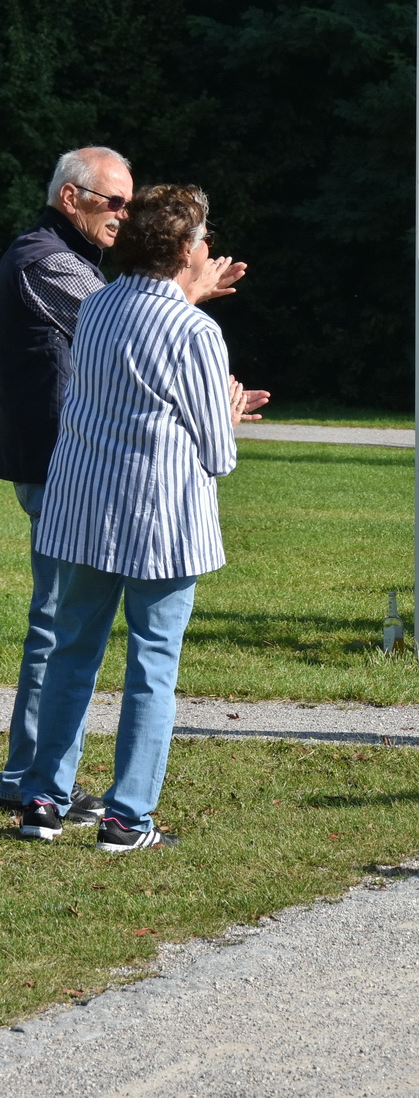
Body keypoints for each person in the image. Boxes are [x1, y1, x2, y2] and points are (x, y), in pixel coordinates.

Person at [0, 148, 250, 820]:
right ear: (185, 251)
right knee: (151, 666)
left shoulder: (103, 304)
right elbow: (217, 453)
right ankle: (126, 814)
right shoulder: (194, 330)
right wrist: (224, 413)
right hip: (161, 525)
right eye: (203, 238)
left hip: (84, 512)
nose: (208, 248)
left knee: (73, 652)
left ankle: (43, 800)